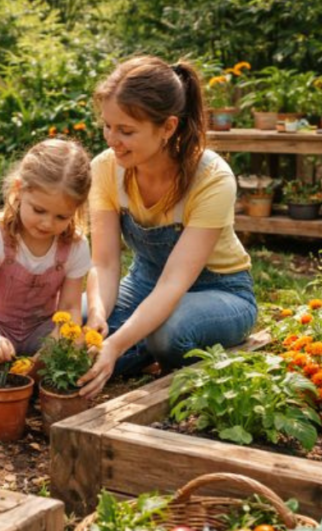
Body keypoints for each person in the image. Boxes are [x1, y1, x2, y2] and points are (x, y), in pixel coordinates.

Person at [77, 55, 257, 399]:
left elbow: (175, 281)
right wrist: (98, 316)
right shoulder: (106, 169)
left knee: (167, 335)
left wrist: (115, 344)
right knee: (77, 324)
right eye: (108, 126)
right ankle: (137, 343)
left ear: (168, 127)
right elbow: (105, 263)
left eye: (126, 131)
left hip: (220, 291)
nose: (112, 140)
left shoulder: (212, 178)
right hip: (146, 282)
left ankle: (141, 344)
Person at [0, 139, 92, 370]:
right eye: (39, 210)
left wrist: (54, 343)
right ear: (19, 189)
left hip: (40, 330)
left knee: (72, 347)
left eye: (61, 217)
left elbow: (71, 307)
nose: (47, 223)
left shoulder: (75, 245)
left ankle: (29, 374)